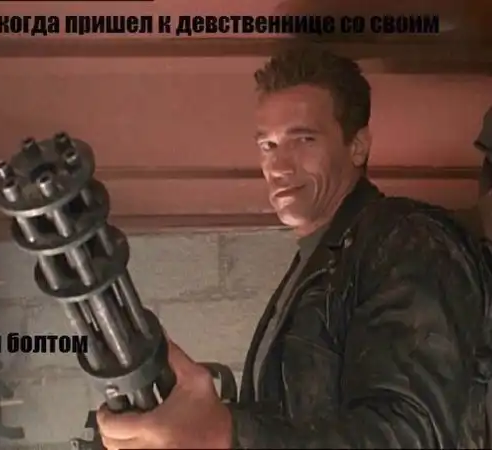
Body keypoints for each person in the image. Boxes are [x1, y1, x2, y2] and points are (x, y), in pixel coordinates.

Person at [96, 46, 492, 449]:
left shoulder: (407, 239)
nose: (280, 167)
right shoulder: (319, 261)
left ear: (358, 145)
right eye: (268, 145)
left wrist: (227, 432)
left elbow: (412, 436)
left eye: (303, 140)